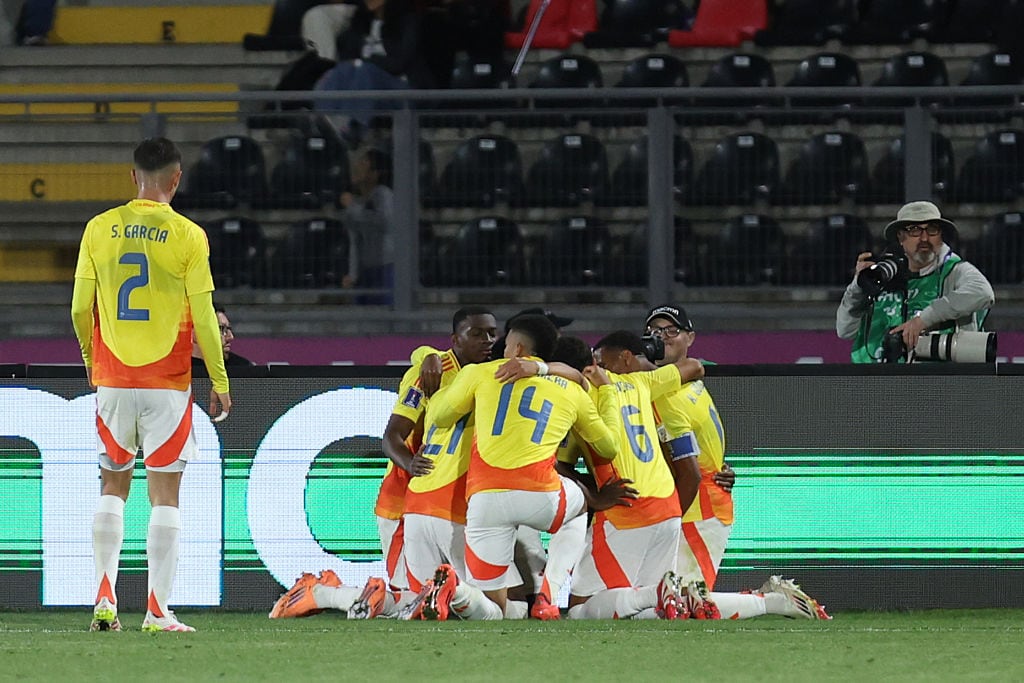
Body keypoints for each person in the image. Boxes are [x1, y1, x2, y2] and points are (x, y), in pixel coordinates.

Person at [70, 138, 231, 633]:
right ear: (176, 179)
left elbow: (79, 308)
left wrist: (91, 360)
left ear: (131, 176)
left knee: (112, 485)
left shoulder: (99, 229)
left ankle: (104, 597)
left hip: (113, 377)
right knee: (165, 495)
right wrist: (219, 377)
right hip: (167, 380)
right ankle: (157, 610)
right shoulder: (188, 235)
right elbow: (204, 316)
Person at [269, 306, 498, 619]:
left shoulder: (490, 373)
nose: (487, 341)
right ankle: (321, 593)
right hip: (404, 502)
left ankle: (325, 593)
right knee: (414, 601)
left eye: (491, 334)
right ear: (455, 339)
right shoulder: (431, 372)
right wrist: (411, 466)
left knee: (427, 599)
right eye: (477, 334)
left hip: (449, 500)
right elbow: (391, 437)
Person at [424, 314, 629, 618]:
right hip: (542, 497)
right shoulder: (571, 388)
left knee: (491, 608)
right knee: (580, 507)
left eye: (506, 344)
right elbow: (609, 447)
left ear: (518, 348)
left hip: (485, 499)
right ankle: (548, 594)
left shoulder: (480, 374)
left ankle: (458, 590)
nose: (501, 350)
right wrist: (608, 392)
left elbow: (439, 417)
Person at [644, 306, 830, 620]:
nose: (661, 338)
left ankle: (772, 602)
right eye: (654, 331)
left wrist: (668, 516)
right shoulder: (686, 384)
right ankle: (771, 600)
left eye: (670, 331)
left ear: (690, 337)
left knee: (683, 605)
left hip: (698, 505)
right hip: (705, 498)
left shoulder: (668, 395)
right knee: (668, 601)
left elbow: (687, 465)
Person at [837, 201, 995, 364]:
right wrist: (858, 286)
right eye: (915, 230)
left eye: (932, 230)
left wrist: (922, 320)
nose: (924, 238)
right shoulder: (883, 276)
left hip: (939, 383)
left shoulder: (954, 271)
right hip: (876, 382)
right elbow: (845, 331)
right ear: (900, 237)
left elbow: (983, 293)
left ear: (940, 235)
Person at [313, 0, 433, 143]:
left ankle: (355, 127)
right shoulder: (361, 23)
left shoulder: (407, 22)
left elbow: (398, 63)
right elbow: (347, 56)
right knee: (339, 70)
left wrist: (366, 61)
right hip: (371, 91)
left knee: (366, 70)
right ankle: (322, 119)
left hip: (403, 89)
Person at [341, 147, 395, 305]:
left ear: (375, 173)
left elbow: (384, 222)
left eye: (363, 162)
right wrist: (352, 274)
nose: (357, 166)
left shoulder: (384, 194)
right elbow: (355, 240)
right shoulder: (358, 202)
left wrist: (352, 207)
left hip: (386, 269)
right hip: (366, 271)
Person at [192, 304, 254, 369]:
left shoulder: (243, 368)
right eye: (221, 328)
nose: (230, 337)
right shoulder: (182, 372)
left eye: (229, 329)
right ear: (195, 332)